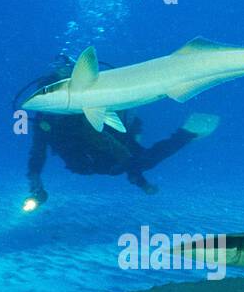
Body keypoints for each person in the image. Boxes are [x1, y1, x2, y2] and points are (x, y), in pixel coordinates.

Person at [15, 56, 220, 210]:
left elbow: (119, 144)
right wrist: (36, 184)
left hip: (113, 156)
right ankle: (181, 137)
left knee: (142, 160)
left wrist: (140, 179)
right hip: (82, 164)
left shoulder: (95, 98)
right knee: (136, 161)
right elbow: (38, 151)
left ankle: (186, 133)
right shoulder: (47, 117)